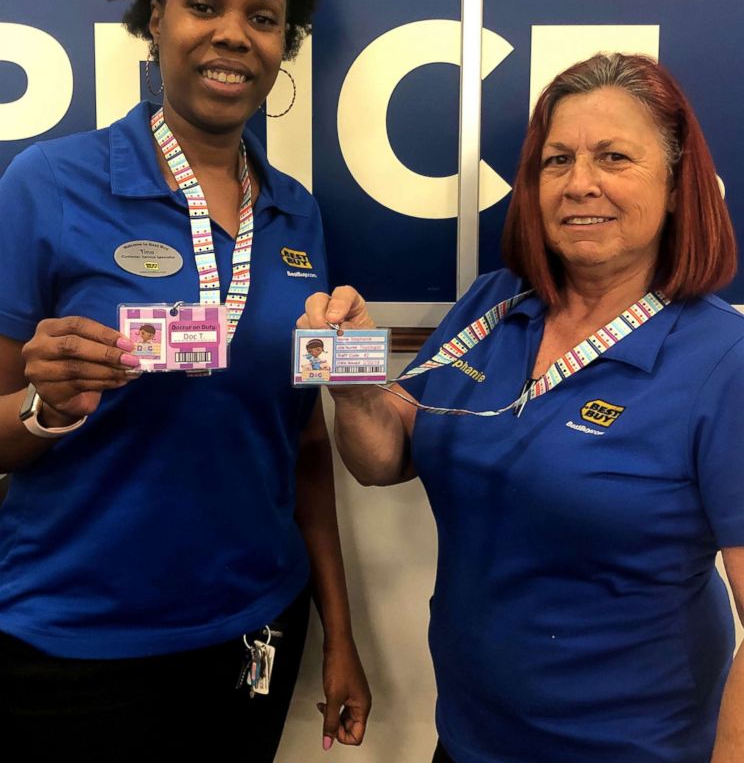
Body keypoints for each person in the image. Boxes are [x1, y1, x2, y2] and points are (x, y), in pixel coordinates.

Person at [0, 0, 370, 760]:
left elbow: (305, 445)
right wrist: (44, 408)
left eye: (264, 16)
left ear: (284, 43)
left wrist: (341, 635)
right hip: (75, 639)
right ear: (155, 17)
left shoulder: (299, 217)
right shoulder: (48, 186)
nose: (233, 34)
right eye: (204, 5)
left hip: (252, 629)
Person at [301, 53, 744, 763]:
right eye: (557, 160)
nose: (580, 183)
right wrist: (350, 378)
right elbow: (382, 460)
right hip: (472, 737)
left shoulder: (724, 358)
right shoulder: (493, 304)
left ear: (675, 183)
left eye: (614, 157)